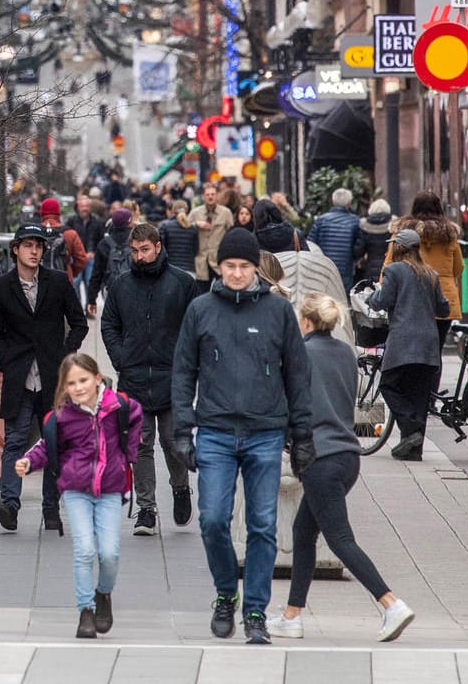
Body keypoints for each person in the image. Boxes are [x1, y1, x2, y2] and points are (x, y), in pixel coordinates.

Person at [172, 227, 313, 644]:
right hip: (214, 429)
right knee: (213, 519)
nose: (236, 274)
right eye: (230, 266)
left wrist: (301, 434)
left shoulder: (278, 312)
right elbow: (183, 371)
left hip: (265, 431)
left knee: (262, 524)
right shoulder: (201, 309)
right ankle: (224, 594)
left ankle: (254, 609)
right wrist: (183, 429)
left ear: (257, 269)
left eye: (244, 267)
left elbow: (298, 375)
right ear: (220, 267)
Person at [267, 293, 415, 643]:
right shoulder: (345, 353)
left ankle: (390, 603)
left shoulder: (301, 354)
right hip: (347, 457)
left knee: (341, 539)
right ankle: (292, 616)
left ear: (305, 322)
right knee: (304, 533)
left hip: (320, 459)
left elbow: (291, 403)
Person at [16, 353, 141, 639]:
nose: (79, 387)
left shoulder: (117, 406)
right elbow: (47, 446)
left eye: (84, 380)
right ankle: (85, 611)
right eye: (71, 383)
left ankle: (103, 594)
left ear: (98, 379)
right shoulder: (62, 417)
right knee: (84, 550)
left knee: (109, 553)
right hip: (76, 491)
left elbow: (136, 417)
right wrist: (29, 462)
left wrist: (128, 456)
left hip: (110, 490)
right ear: (64, 387)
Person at [0, 223, 88, 532]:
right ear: (15, 249)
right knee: (15, 441)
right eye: (28, 245)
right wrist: (6, 359)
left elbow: (79, 323)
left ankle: (50, 508)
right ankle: (10, 505)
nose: (34, 251)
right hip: (19, 376)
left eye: (39, 246)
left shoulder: (57, 282)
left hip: (52, 378)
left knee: (54, 444)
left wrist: (65, 355)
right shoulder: (2, 286)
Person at [99, 222, 196, 536]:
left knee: (173, 443)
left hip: (171, 377)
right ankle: (146, 509)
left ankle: (180, 488)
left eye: (145, 250)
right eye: (135, 250)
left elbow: (195, 327)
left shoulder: (181, 283)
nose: (139, 256)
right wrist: (121, 358)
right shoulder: (122, 285)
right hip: (135, 376)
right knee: (140, 444)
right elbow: (109, 324)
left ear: (157, 247)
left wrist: (186, 363)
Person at [368, 229, 449, 462]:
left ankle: (411, 429)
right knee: (419, 394)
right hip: (428, 343)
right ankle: (413, 449)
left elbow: (383, 300)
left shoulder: (394, 270)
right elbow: (442, 308)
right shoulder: (431, 273)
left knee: (389, 385)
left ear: (400, 248)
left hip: (404, 340)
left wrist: (370, 298)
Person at [385, 191, 463, 342]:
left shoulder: (402, 234)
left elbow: (389, 264)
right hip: (445, 297)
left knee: (414, 347)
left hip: (411, 298)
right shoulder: (450, 236)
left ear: (414, 208)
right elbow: (458, 268)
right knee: (437, 349)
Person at [308, 188, 367, 290]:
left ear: (333, 201)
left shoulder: (321, 220)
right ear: (349, 203)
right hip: (345, 268)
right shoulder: (355, 221)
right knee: (343, 298)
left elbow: (310, 244)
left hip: (324, 267)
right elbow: (359, 246)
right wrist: (356, 258)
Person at [86, 208, 134, 315]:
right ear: (129, 221)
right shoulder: (136, 240)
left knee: (112, 321)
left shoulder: (104, 243)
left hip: (111, 289)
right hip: (134, 289)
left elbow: (97, 274)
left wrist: (91, 299)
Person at [189, 183, 234, 284]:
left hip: (219, 259)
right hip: (201, 260)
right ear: (203, 197)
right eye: (208, 194)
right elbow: (185, 228)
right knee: (201, 291)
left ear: (217, 196)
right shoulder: (195, 213)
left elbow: (232, 234)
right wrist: (196, 224)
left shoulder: (226, 213)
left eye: (213, 194)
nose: (210, 197)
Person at [38, 198, 88, 282]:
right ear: (58, 213)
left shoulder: (35, 232)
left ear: (42, 213)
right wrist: (71, 272)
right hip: (64, 280)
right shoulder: (70, 233)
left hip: (39, 281)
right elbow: (81, 259)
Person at [158, 201, 199, 280]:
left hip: (170, 269)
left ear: (173, 211)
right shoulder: (193, 228)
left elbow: (162, 249)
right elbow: (196, 251)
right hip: (189, 270)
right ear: (187, 210)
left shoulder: (165, 226)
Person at [359, 198, 393, 285]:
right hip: (388, 266)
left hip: (370, 267)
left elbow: (359, 250)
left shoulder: (364, 226)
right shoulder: (393, 225)